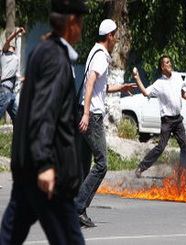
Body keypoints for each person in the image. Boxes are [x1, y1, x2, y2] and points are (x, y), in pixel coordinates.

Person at [0, 0, 88, 244]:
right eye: (80, 21)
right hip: (50, 173)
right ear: (71, 22)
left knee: (8, 237)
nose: (81, 28)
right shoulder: (55, 59)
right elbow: (44, 113)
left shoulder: (43, 51)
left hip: (30, 169)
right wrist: (45, 165)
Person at [75, 19, 136, 228]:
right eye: (115, 35)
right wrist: (86, 114)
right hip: (92, 115)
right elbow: (90, 83)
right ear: (109, 36)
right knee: (102, 164)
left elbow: (100, 87)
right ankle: (77, 206)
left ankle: (78, 211)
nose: (117, 39)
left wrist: (121, 88)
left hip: (86, 112)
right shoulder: (101, 57)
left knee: (84, 165)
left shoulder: (94, 52)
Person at [133, 56, 186, 178]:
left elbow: (181, 92)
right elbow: (145, 92)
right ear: (162, 67)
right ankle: (141, 167)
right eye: (167, 63)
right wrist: (137, 79)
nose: (170, 64)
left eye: (170, 62)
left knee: (185, 146)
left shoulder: (177, 76)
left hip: (178, 119)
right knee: (161, 147)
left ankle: (181, 174)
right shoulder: (159, 84)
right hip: (167, 121)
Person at [0, 27, 25, 124]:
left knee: (18, 120)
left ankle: (18, 139)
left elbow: (21, 78)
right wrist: (17, 32)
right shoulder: (5, 53)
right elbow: (8, 40)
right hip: (5, 91)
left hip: (11, 93)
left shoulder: (15, 59)